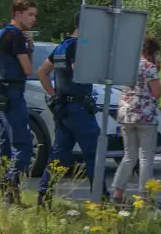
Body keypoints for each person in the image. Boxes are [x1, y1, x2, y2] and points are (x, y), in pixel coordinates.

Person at [36, 11, 107, 206]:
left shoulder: (62, 46)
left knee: (60, 154)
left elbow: (42, 72)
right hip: (78, 108)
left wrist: (54, 95)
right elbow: (81, 71)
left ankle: (44, 195)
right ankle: (101, 199)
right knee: (94, 151)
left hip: (64, 108)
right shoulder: (78, 46)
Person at [0, 0, 37, 208]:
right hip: (14, 93)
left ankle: (7, 197)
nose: (33, 19)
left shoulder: (1, 33)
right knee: (23, 146)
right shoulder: (17, 36)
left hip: (0, 94)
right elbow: (28, 70)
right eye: (30, 14)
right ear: (17, 14)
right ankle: (11, 189)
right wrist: (30, 46)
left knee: (3, 146)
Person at [110, 36, 161, 206]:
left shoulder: (127, 66)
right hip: (145, 116)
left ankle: (117, 192)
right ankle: (143, 197)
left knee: (128, 156)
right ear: (151, 52)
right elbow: (156, 93)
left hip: (126, 115)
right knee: (146, 157)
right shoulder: (150, 67)